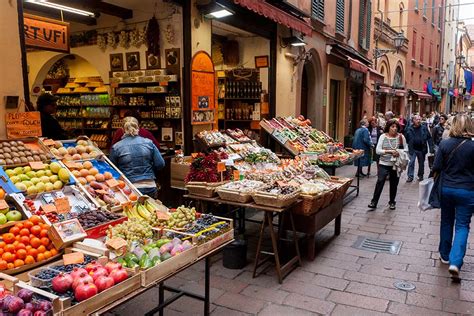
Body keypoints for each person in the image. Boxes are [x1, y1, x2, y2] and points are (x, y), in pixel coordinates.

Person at [432, 114, 474, 281]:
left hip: (447, 189)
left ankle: (444, 255)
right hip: (467, 190)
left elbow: (436, 167)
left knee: (446, 221)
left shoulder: (445, 143)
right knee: (463, 225)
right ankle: (456, 262)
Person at [109, 117, 165, 198]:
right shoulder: (149, 143)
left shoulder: (116, 147)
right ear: (138, 127)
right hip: (150, 186)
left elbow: (112, 170)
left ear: (122, 129)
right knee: (152, 210)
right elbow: (160, 164)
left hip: (129, 188)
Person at [368, 120, 408, 210]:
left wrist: (399, 153)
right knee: (380, 181)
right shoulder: (383, 136)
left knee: (394, 184)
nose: (395, 128)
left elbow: (406, 149)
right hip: (383, 163)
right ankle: (374, 201)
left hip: (396, 164)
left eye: (396, 127)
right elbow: (378, 150)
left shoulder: (401, 137)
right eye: (392, 126)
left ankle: (392, 202)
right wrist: (389, 151)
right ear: (388, 127)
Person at [405, 115, 434, 182]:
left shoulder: (424, 128)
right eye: (417, 119)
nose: (418, 121)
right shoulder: (409, 129)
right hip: (412, 149)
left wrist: (431, 148)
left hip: (422, 149)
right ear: (413, 120)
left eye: (419, 119)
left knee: (421, 163)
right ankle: (410, 176)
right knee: (411, 163)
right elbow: (406, 138)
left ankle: (420, 175)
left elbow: (429, 138)